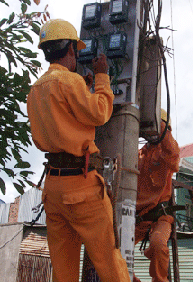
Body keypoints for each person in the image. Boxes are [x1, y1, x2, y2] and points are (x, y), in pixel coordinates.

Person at [26, 19, 130, 282]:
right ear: (71, 49)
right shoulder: (70, 83)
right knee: (108, 261)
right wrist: (102, 77)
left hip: (53, 189)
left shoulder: (36, 90)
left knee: (63, 271)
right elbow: (99, 113)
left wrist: (83, 87)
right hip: (81, 187)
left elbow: (62, 116)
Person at [134, 109, 180, 282]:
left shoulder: (166, 154)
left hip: (160, 216)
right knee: (115, 251)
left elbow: (174, 155)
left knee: (158, 244)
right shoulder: (139, 154)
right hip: (138, 218)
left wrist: (158, 123)